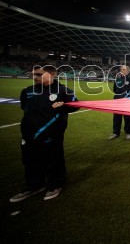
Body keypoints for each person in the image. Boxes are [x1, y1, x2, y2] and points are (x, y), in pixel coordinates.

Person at [10, 64, 79, 202]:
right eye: (33, 74)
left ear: (51, 74)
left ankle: (55, 185)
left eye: (38, 74)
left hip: (52, 133)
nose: (34, 77)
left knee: (54, 160)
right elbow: (25, 107)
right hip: (29, 134)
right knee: (29, 161)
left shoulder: (64, 91)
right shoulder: (27, 91)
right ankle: (34, 186)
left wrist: (64, 106)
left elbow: (75, 105)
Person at [108, 65, 130, 140]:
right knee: (116, 117)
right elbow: (115, 90)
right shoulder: (117, 79)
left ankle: (129, 133)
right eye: (121, 69)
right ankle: (116, 133)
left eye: (124, 69)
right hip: (117, 101)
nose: (122, 70)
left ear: (127, 71)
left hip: (127, 101)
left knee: (127, 117)